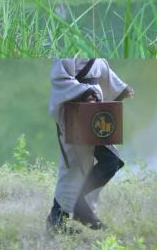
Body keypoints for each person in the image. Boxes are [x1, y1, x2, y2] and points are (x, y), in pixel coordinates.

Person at [46, 58, 134, 232]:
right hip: (74, 111)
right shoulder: (67, 55)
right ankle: (56, 221)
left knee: (111, 162)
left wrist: (122, 88)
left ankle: (80, 203)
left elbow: (104, 70)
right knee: (73, 167)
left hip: (95, 112)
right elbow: (59, 77)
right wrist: (84, 92)